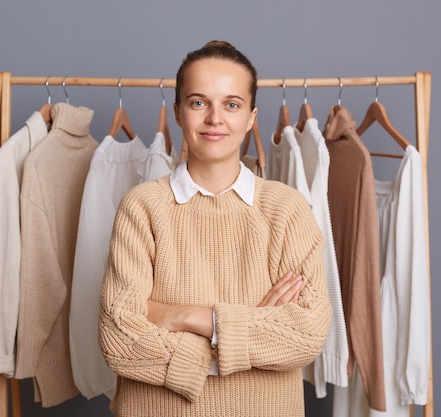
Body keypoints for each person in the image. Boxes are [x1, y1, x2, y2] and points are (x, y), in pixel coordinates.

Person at [99, 40, 332, 417]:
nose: (214, 118)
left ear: (252, 117)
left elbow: (305, 336)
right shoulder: (142, 207)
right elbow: (119, 338)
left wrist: (184, 317)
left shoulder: (286, 210)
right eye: (198, 102)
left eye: (231, 104)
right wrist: (248, 330)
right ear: (178, 113)